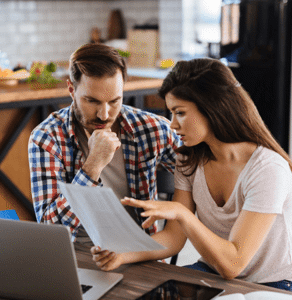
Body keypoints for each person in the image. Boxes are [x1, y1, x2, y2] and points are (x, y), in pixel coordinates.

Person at [91, 58, 292, 294]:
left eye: (180, 113)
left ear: (213, 107)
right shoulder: (189, 159)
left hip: (274, 286)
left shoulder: (268, 169)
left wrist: (182, 215)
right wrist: (122, 254)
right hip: (211, 273)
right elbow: (173, 238)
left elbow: (233, 264)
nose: (172, 125)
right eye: (171, 113)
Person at [28, 43, 181, 242]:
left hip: (140, 255)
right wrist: (92, 166)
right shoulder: (47, 138)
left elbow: (202, 176)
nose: (104, 114)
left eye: (114, 101)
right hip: (77, 257)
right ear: (71, 90)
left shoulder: (152, 129)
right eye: (92, 101)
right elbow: (51, 231)